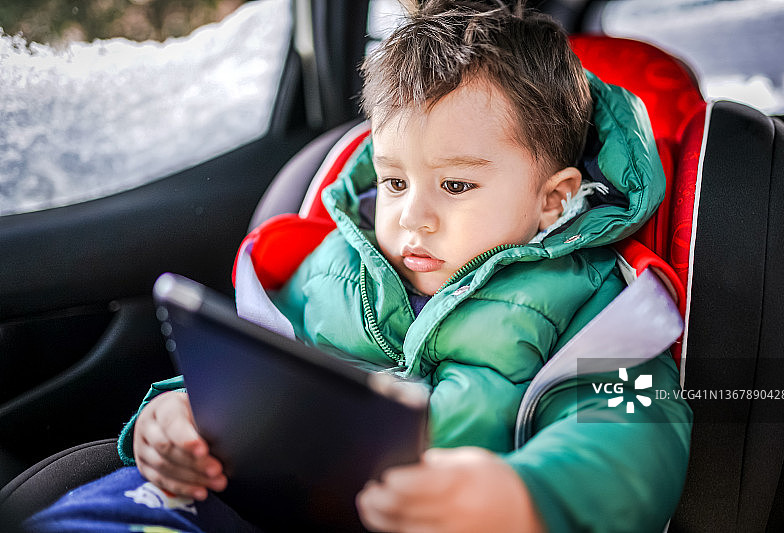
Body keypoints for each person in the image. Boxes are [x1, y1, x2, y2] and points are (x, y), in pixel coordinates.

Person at [23, 1, 692, 532]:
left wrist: (525, 497)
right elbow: (257, 375)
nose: (412, 218)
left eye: (456, 186)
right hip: (258, 497)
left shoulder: (598, 305)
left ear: (555, 200)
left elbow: (636, 431)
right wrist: (177, 415)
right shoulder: (328, 263)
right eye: (395, 182)